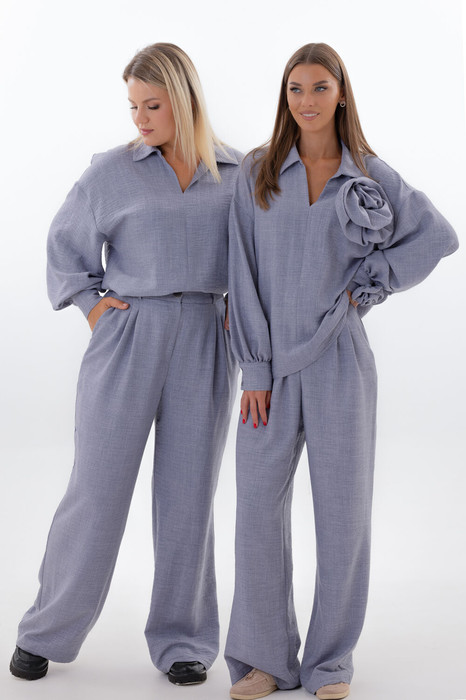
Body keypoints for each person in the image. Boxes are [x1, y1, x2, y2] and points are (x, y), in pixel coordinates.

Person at [225, 43, 458, 700]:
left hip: (340, 362)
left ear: (342, 93)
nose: (306, 100)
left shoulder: (370, 175)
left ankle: (330, 663)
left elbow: (437, 236)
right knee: (256, 512)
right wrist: (255, 369)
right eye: (295, 89)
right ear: (285, 96)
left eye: (319, 87)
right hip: (271, 370)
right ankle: (265, 661)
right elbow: (241, 271)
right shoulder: (257, 172)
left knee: (343, 515)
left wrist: (370, 282)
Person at [10, 42, 240, 687]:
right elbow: (65, 249)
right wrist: (93, 308)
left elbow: (258, 257)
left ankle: (183, 641)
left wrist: (243, 316)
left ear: (184, 101)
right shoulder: (111, 172)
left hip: (206, 335)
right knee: (97, 488)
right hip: (129, 333)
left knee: (189, 496)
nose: (140, 118)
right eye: (133, 106)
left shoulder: (239, 172)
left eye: (152, 105)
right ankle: (46, 630)